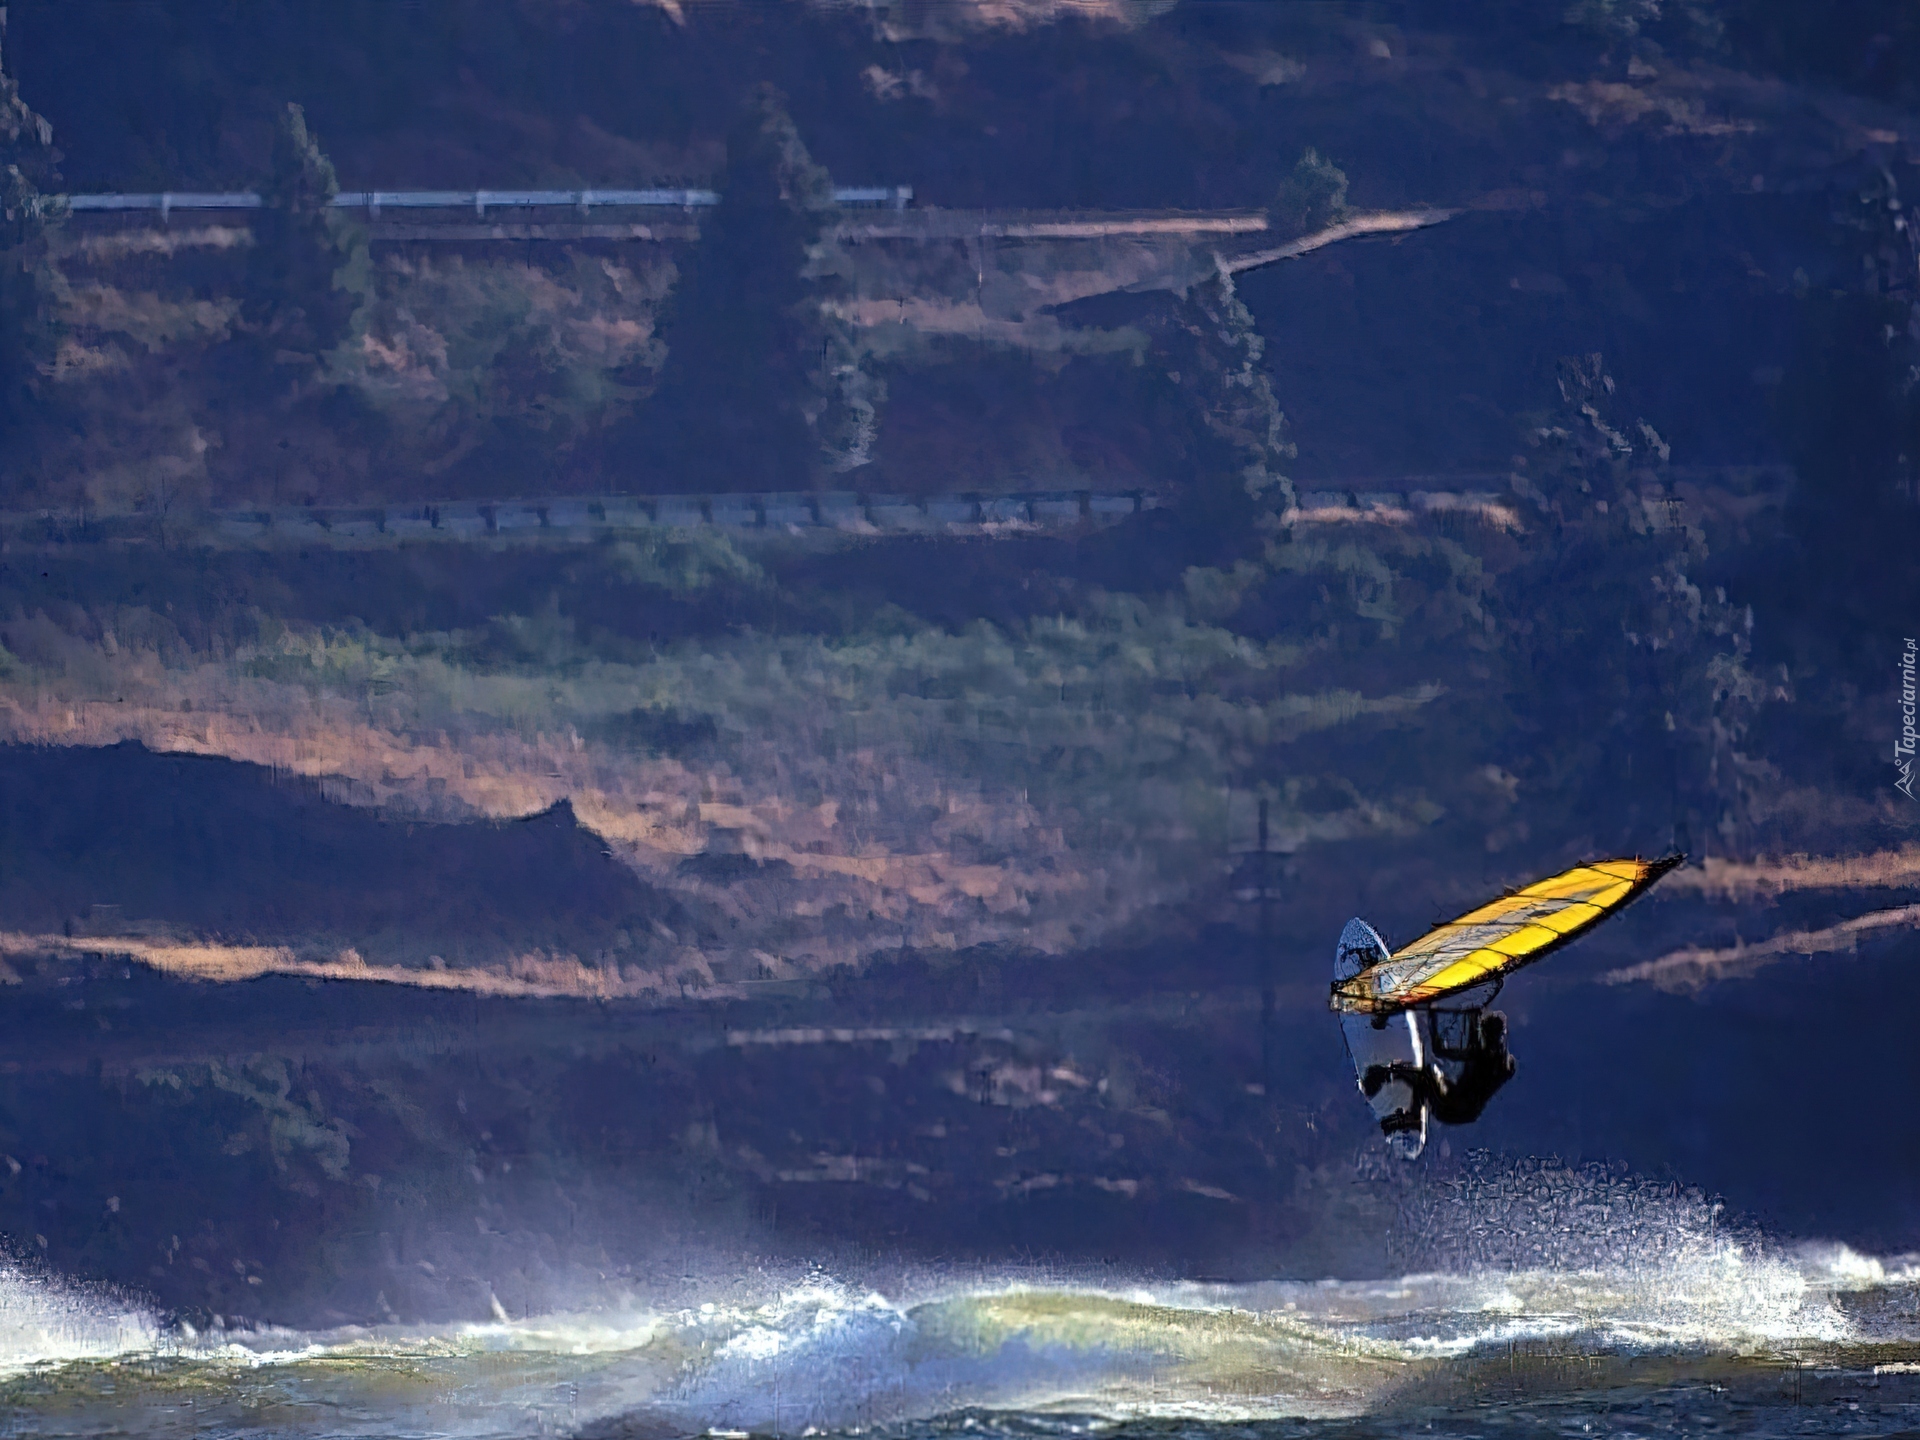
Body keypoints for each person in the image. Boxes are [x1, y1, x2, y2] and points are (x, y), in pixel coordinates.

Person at [1360, 1009, 1516, 1135]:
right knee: (1427, 1078)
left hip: (1457, 1107)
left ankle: (1391, 1081)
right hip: (1461, 1106)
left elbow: (1447, 1051)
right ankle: (1409, 1110)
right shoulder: (1495, 1059)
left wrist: (1468, 1016)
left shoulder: (1485, 1057)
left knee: (1425, 1077)